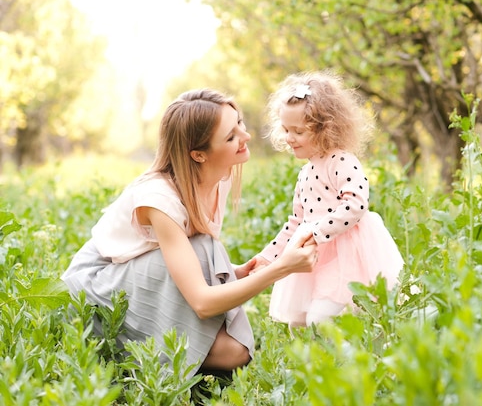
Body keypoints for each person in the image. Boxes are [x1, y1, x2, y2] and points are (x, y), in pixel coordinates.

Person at [61, 88, 318, 379]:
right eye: (231, 136)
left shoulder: (216, 178)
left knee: (236, 351)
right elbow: (202, 301)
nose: (245, 137)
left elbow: (179, 259)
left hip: (141, 271)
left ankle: (164, 358)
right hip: (97, 289)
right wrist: (281, 269)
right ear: (198, 155)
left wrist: (239, 272)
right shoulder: (159, 198)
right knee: (207, 251)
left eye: (240, 124)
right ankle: (131, 355)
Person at [254, 70, 404, 327]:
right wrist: (269, 256)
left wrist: (316, 231)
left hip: (345, 251)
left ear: (326, 129)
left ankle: (348, 361)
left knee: (321, 319)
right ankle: (312, 364)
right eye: (286, 129)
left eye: (298, 131)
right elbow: (296, 222)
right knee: (298, 322)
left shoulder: (341, 160)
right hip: (314, 255)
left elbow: (356, 204)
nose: (290, 138)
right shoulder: (306, 171)